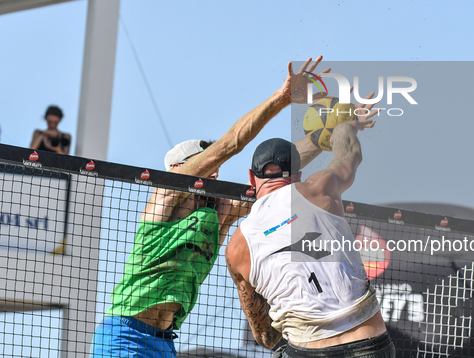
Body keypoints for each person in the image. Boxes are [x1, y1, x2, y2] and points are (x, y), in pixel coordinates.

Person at [91, 56, 330, 357]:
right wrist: (282, 98)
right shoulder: (166, 194)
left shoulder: (218, 213)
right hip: (125, 335)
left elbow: (276, 177)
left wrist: (326, 134)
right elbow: (231, 144)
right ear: (180, 167)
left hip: (165, 342)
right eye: (206, 159)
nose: (215, 168)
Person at [225, 119, 396, 357]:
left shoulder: (237, 246)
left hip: (308, 350)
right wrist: (346, 126)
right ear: (299, 175)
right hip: (369, 343)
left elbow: (265, 336)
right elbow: (351, 153)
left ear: (252, 179)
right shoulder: (321, 187)